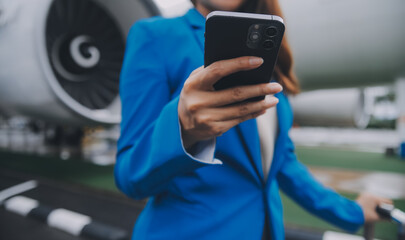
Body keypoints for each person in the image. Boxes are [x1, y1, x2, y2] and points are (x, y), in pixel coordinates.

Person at [115, 0, 391, 239]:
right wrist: (182, 129)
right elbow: (130, 177)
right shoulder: (155, 36)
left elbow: (282, 165)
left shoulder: (267, 61)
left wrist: (352, 212)